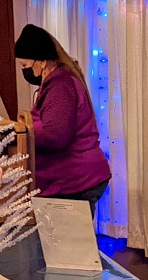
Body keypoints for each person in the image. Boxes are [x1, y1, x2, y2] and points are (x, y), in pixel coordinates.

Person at [14, 24, 111, 216]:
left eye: (25, 65)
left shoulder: (59, 86)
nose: (24, 71)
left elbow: (55, 135)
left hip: (74, 180)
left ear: (41, 61)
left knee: (70, 237)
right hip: (75, 177)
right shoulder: (61, 81)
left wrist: (24, 130)